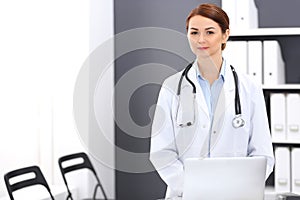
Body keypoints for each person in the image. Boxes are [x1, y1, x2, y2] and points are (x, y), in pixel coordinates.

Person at [149, 3, 274, 199]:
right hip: (185, 195)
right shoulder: (171, 87)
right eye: (194, 32)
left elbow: (262, 153)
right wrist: (191, 188)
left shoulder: (249, 87)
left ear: (225, 35)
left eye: (209, 32)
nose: (201, 40)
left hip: (236, 195)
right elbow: (161, 151)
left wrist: (240, 188)